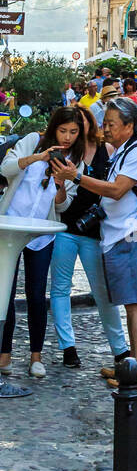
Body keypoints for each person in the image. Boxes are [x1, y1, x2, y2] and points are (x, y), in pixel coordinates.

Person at [51, 96, 137, 389]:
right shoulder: (121, 153)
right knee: (128, 302)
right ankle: (131, 367)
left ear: (129, 126)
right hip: (117, 237)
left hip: (131, 236)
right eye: (105, 123)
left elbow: (117, 191)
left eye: (111, 124)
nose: (105, 129)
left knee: (135, 304)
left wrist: (77, 176)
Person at [0, 108, 79, 382]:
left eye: (73, 132)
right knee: (5, 293)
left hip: (41, 234)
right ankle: (4, 353)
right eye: (63, 131)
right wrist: (39, 157)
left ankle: (36, 356)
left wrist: (61, 184)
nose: (67, 138)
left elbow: (64, 204)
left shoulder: (73, 160)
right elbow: (6, 168)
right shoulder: (32, 140)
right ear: (54, 128)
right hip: (10, 227)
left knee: (36, 295)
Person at [50, 104, 129, 370]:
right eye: (70, 127)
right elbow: (58, 200)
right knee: (60, 288)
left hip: (95, 232)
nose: (74, 132)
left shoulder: (106, 151)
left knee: (103, 293)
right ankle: (68, 347)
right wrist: (60, 186)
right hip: (66, 229)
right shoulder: (66, 154)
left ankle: (119, 349)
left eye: (80, 124)